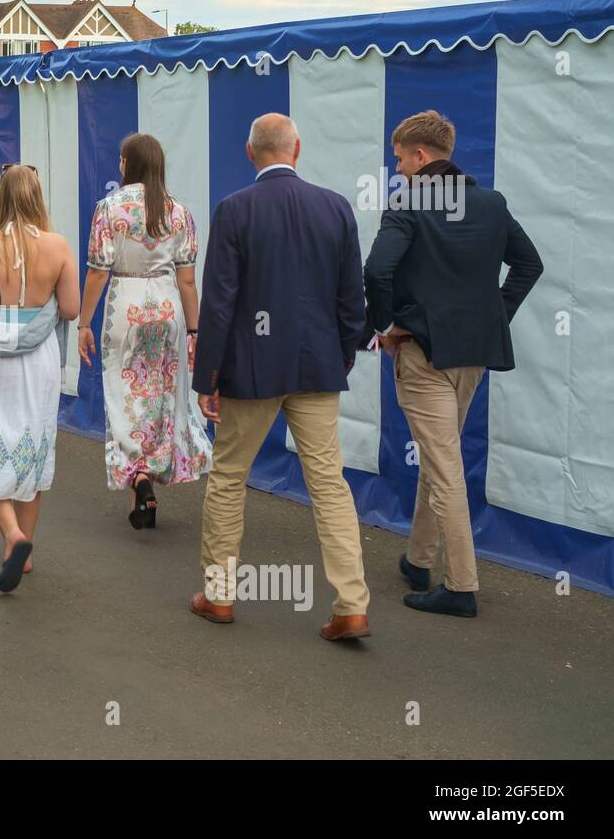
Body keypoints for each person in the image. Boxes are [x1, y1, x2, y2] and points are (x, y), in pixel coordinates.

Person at [191, 113, 371, 641]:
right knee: (329, 484)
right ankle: (352, 604)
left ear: (251, 154)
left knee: (228, 479)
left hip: (251, 369)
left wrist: (209, 377)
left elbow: (220, 303)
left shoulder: (234, 210)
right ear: (298, 149)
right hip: (317, 365)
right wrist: (342, 354)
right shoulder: (336, 207)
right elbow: (351, 298)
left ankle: (220, 595)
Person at [364, 110, 543, 618]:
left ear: (420, 157)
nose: (396, 168)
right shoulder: (490, 203)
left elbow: (377, 270)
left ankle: (461, 586)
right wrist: (494, 317)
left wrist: (385, 327)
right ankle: (419, 559)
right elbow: (530, 264)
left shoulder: (408, 202)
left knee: (443, 466)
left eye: (399, 159)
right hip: (474, 354)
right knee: (438, 454)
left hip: (424, 355)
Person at [77, 133, 211, 529]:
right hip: (167, 304)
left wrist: (84, 321)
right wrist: (194, 330)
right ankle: (151, 469)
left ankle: (136, 472)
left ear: (125, 163)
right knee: (162, 394)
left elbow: (98, 271)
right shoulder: (179, 212)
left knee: (125, 391)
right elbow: (188, 281)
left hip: (126, 305)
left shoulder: (109, 209)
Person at [0, 165, 78, 591]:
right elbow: (69, 309)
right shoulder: (57, 245)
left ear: (1, 198)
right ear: (38, 196)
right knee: (33, 445)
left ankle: (12, 536)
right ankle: (24, 543)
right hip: (40, 360)